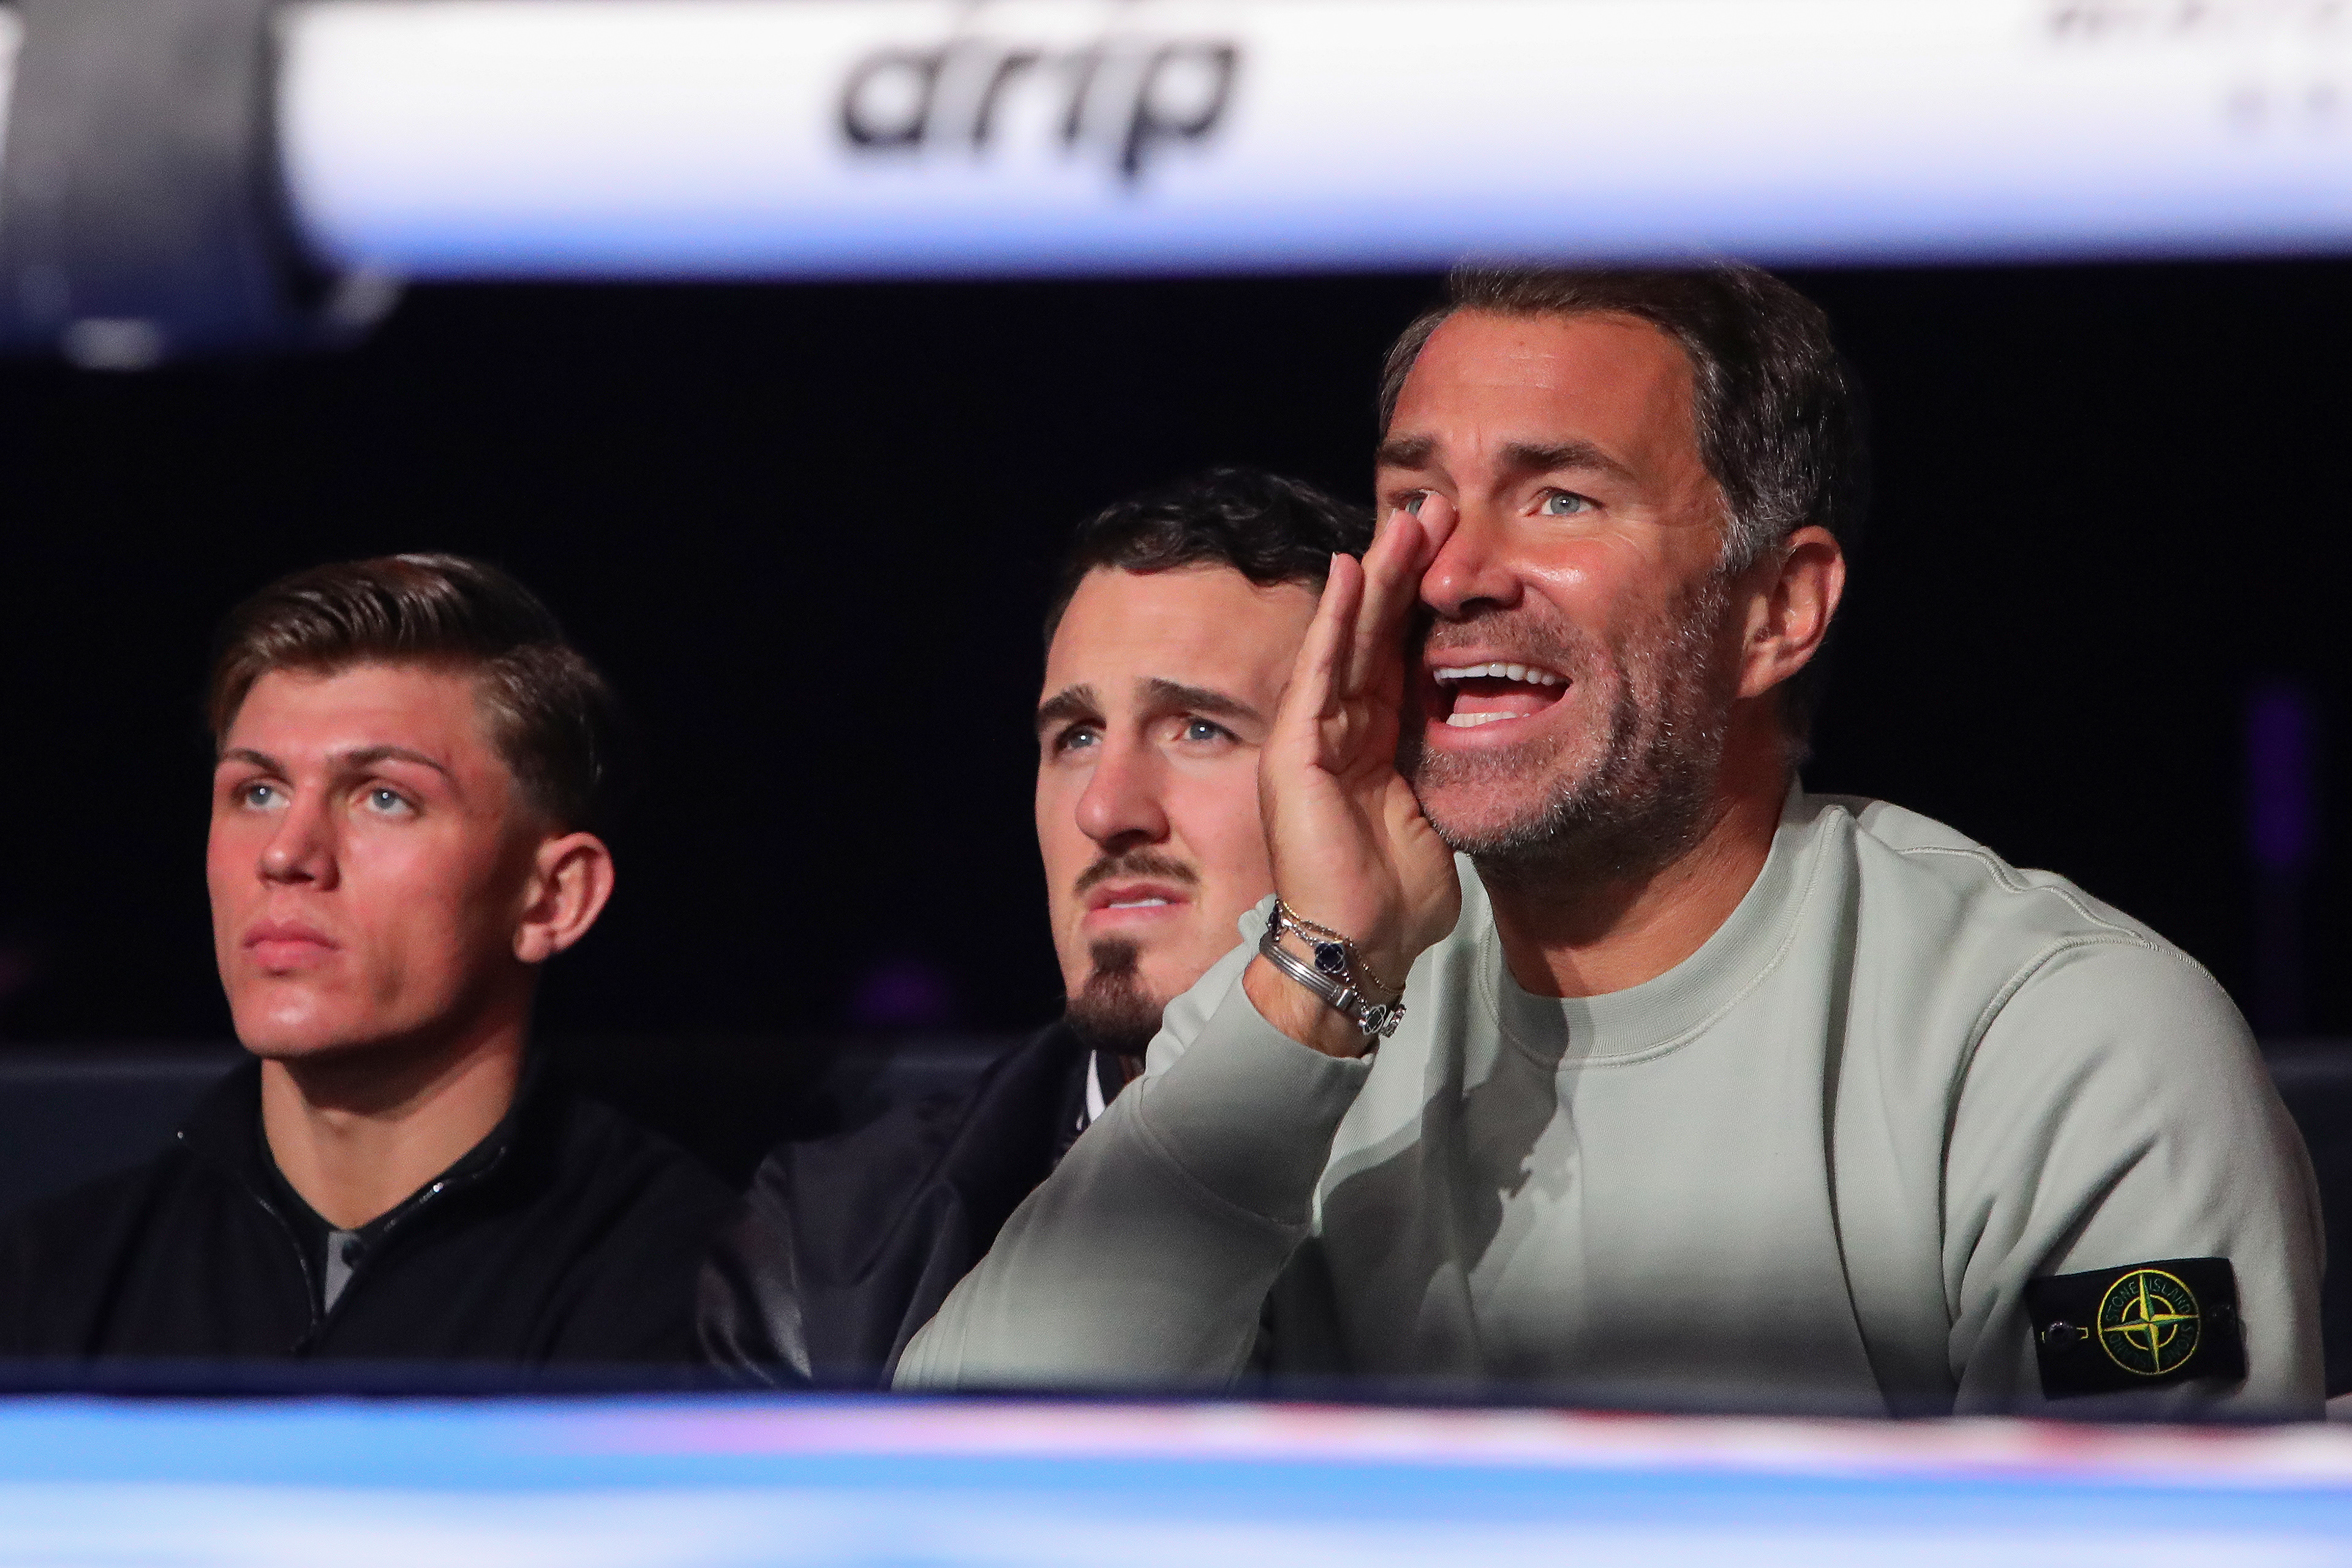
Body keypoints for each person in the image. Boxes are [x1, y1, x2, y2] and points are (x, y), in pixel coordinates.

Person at [897, 266, 2326, 1417]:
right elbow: (963, 1477)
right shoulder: (1313, 1001)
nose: (1453, 570)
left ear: (1779, 606)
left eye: (1559, 496)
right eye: (1413, 502)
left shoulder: (2057, 1042)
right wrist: (1311, 987)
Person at [697, 469, 1374, 1384]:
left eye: (1199, 729)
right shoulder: (830, 1251)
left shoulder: (1521, 1173)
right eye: (1078, 737)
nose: (1106, 809)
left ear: (1373, 773)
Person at [0, 554, 734, 1366]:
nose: (286, 854)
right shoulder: (52, 1285)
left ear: (553, 898)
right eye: (259, 793)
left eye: (384, 796)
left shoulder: (691, 1290)